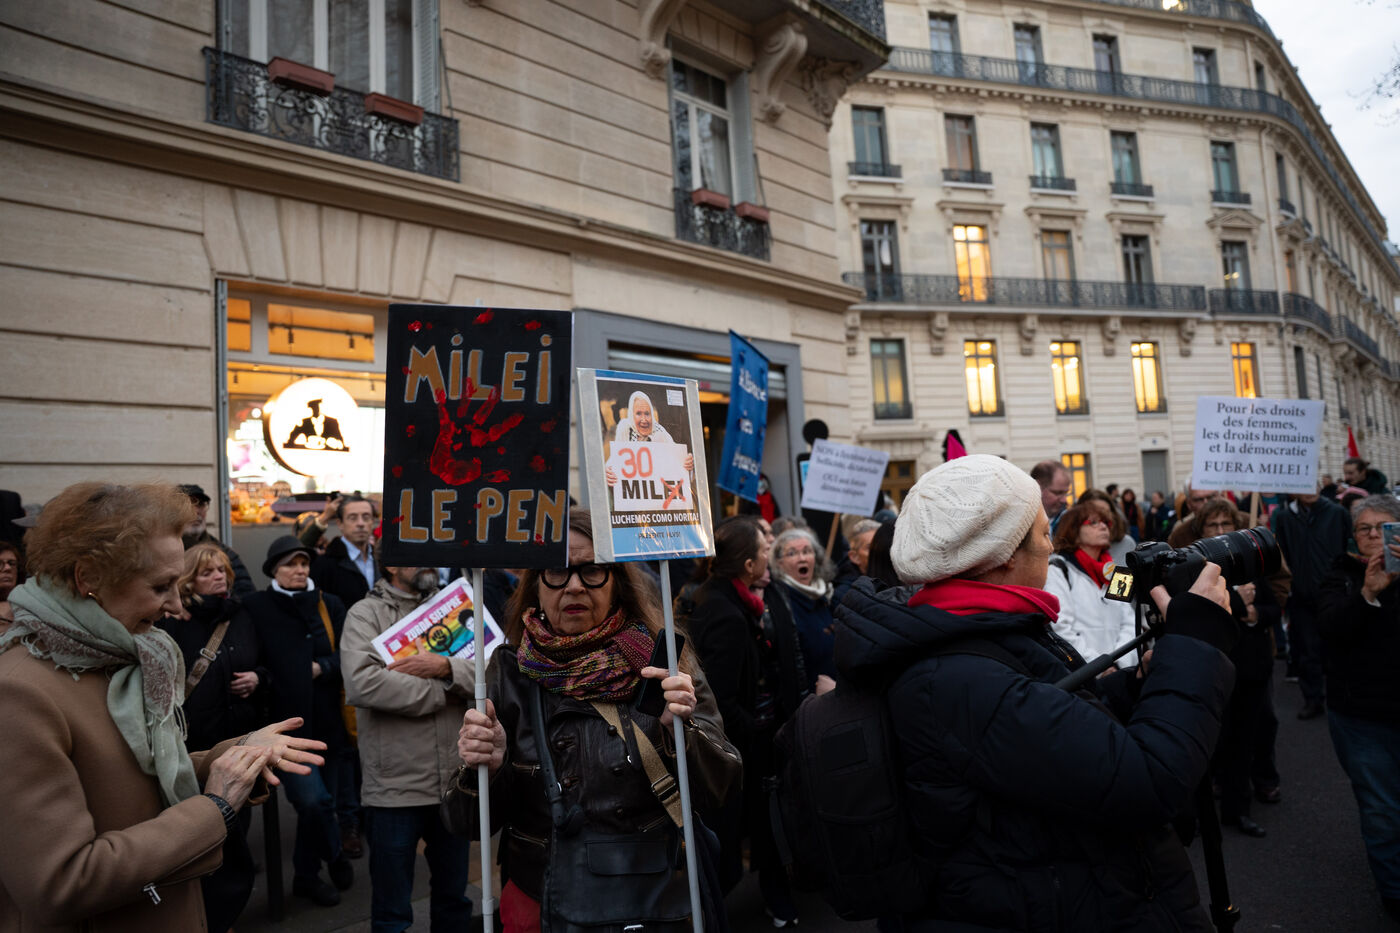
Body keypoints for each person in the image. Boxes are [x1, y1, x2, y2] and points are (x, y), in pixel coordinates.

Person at [835, 456, 1238, 931]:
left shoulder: (973, 633)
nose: (1050, 543)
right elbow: (1148, 780)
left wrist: (1139, 681)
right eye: (1044, 531)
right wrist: (1195, 643)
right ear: (1005, 554)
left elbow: (1059, 714)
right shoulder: (962, 678)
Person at [0, 482, 324, 930]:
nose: (174, 604)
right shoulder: (19, 693)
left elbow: (138, 783)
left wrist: (236, 755)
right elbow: (62, 884)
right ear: (88, 578)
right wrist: (215, 808)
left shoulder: (124, 656)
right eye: (160, 586)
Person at [444, 509, 740, 933]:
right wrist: (484, 771)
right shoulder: (507, 672)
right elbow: (466, 824)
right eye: (557, 571)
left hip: (652, 899)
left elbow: (723, 787)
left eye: (593, 570)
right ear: (536, 585)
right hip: (541, 897)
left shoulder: (665, 665)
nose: (575, 585)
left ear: (617, 582)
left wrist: (680, 732)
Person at [342, 559, 477, 933]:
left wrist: (445, 668)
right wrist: (445, 691)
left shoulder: (454, 605)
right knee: (392, 912)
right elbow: (363, 684)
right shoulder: (364, 614)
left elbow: (491, 667)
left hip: (453, 784)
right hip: (394, 789)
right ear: (390, 564)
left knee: (454, 902)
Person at [688, 517, 807, 924]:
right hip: (743, 748)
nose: (769, 555)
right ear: (748, 565)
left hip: (746, 740)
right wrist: (757, 730)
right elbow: (721, 697)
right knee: (740, 837)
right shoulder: (726, 614)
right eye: (764, 550)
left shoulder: (728, 598)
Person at [158, 543, 269, 932]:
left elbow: (265, 661)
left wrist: (257, 677)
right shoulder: (173, 621)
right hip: (194, 744)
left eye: (222, 570)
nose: (219, 576)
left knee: (240, 817)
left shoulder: (241, 614)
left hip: (238, 736)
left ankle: (227, 907)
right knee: (200, 825)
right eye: (207, 572)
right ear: (189, 580)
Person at [244, 535, 355, 906]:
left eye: (304, 563)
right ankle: (335, 854)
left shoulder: (330, 603)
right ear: (273, 570)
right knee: (313, 803)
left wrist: (323, 667)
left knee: (325, 806)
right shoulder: (256, 606)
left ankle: (306, 877)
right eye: (290, 564)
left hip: (331, 726)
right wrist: (262, 677)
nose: (299, 570)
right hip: (286, 730)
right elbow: (250, 655)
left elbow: (349, 655)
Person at [1176, 499, 1284, 838]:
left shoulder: (1250, 565)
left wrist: (1253, 613)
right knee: (1210, 742)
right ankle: (1200, 813)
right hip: (1211, 670)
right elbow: (1189, 613)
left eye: (1226, 525)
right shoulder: (1193, 571)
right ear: (1201, 532)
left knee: (1245, 741)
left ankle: (1239, 811)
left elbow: (1273, 608)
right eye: (1213, 526)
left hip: (1251, 669)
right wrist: (1237, 601)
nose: (1221, 531)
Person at [1318, 494, 1400, 921]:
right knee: (1382, 810)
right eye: (1364, 529)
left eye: (1383, 528)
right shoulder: (1341, 575)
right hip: (1361, 718)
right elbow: (1330, 629)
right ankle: (1395, 892)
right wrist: (1367, 594)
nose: (1373, 536)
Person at [1270, 490, 1351, 719]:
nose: (1310, 491)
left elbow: (1348, 547)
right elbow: (1282, 555)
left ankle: (1342, 697)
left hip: (1334, 593)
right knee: (1308, 651)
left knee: (1337, 648)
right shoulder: (1285, 517)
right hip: (1302, 596)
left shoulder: (1337, 513)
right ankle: (1313, 699)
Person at [1043, 500, 1138, 668]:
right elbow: (1061, 628)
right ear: (1074, 531)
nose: (1103, 527)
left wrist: (1119, 664)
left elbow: (1130, 624)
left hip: (1120, 672)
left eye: (1106, 522)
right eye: (1093, 522)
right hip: (1083, 675)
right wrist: (1099, 667)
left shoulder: (1119, 573)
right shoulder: (1058, 570)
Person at [771, 526, 839, 688]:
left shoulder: (825, 596)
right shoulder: (780, 602)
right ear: (779, 563)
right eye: (792, 553)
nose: (802, 558)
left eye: (807, 551)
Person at [178, 484, 255, 597]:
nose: (196, 511)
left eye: (201, 504)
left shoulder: (225, 553)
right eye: (188, 505)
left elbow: (246, 594)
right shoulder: (163, 554)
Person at [834, 518, 880, 605]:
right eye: (870, 547)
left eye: (881, 545)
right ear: (854, 557)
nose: (879, 551)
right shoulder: (843, 595)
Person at [1029, 459, 1072, 530]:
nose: (1064, 500)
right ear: (1038, 487)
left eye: (1066, 493)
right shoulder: (1020, 524)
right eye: (1058, 493)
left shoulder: (1072, 524)